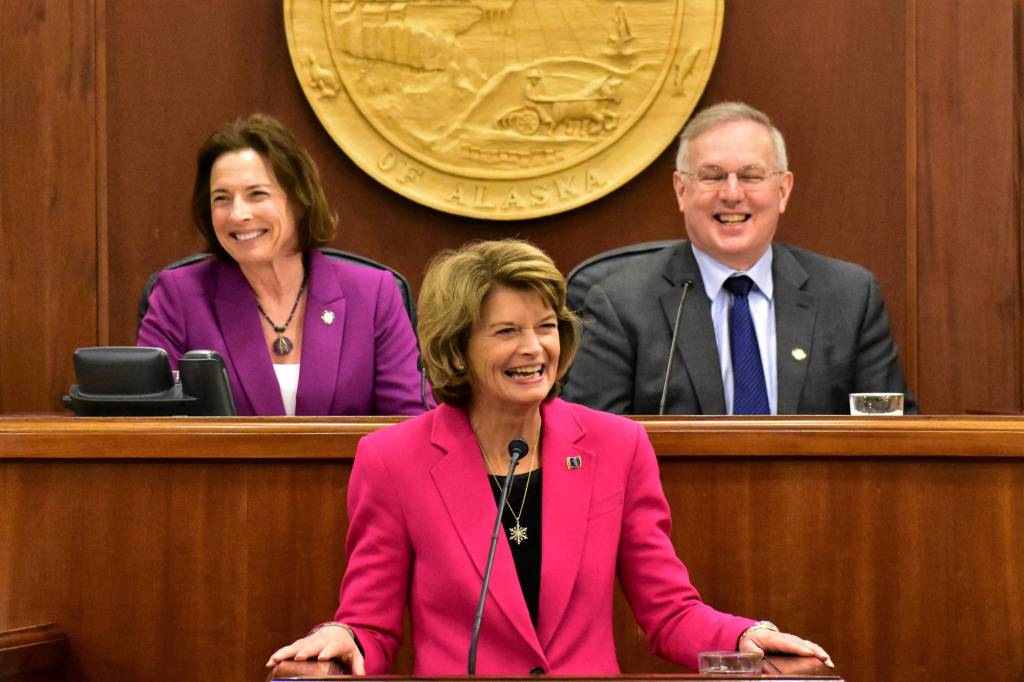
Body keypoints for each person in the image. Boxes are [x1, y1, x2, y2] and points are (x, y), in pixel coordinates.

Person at [266, 239, 832, 674]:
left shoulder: (617, 446)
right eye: (507, 331)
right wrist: (346, 637)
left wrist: (742, 636)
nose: (534, 349)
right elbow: (373, 624)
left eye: (545, 327)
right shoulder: (393, 459)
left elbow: (669, 611)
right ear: (456, 348)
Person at [563, 102, 916, 415]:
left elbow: (892, 438)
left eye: (751, 176)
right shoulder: (620, 303)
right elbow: (587, 446)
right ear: (681, 190)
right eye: (712, 176)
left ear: (783, 190)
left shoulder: (849, 297)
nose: (732, 194)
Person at [137, 113, 426, 416]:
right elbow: (151, 427)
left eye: (256, 194)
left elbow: (409, 424)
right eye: (221, 198)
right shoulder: (178, 296)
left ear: (299, 200)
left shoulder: (373, 294)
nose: (237, 214)